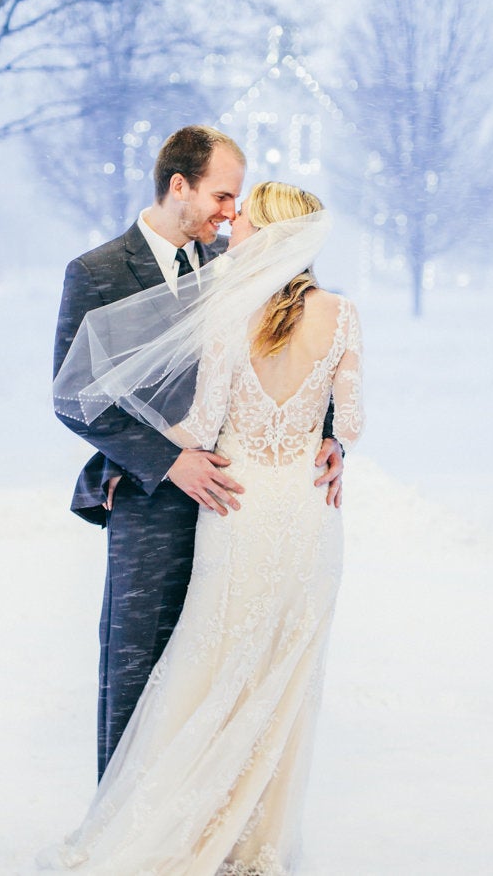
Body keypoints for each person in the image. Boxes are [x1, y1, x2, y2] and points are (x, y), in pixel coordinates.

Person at [44, 181, 363, 873]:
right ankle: (255, 838)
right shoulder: (342, 314)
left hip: (236, 506)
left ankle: (170, 824)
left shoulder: (228, 312)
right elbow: (352, 415)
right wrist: (324, 436)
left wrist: (151, 450)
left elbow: (202, 423)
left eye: (243, 215)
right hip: (305, 515)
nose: (231, 223)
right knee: (280, 675)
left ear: (269, 233)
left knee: (209, 663)